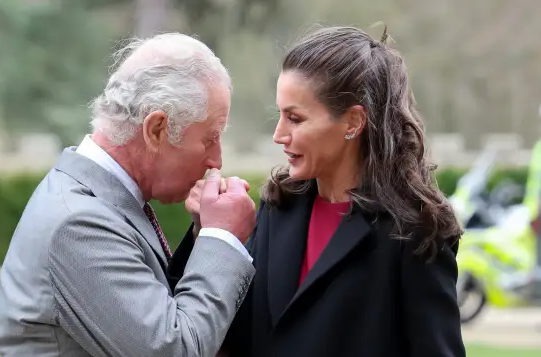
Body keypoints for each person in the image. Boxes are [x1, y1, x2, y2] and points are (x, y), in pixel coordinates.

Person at [186, 26, 466, 357]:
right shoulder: (278, 208)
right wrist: (211, 233)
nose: (279, 134)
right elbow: (228, 337)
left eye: (295, 118)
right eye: (280, 115)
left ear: (353, 122)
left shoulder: (413, 232)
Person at [0, 32, 258, 357]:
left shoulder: (96, 201)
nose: (216, 160)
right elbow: (177, 349)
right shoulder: (79, 223)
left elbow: (159, 313)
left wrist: (204, 236)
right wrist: (222, 238)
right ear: (156, 129)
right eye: (210, 138)